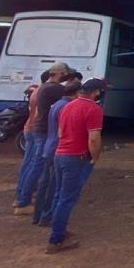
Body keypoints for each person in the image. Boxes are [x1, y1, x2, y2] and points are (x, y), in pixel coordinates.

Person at [45, 78, 110, 254]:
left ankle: (59, 229)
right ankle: (56, 239)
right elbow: (94, 138)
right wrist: (94, 157)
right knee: (67, 198)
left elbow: (60, 132)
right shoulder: (93, 109)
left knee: (60, 195)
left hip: (61, 154)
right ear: (96, 92)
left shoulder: (67, 106)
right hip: (77, 157)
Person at [16, 62, 73, 215]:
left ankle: (21, 196)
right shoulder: (55, 89)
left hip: (35, 128)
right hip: (42, 129)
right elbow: (72, 94)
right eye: (65, 74)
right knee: (37, 166)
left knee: (30, 164)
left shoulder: (42, 88)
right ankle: (23, 202)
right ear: (60, 73)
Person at [34, 77, 82, 226]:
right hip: (58, 149)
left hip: (50, 146)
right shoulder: (66, 107)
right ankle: (47, 216)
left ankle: (38, 215)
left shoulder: (57, 104)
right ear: (77, 92)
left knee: (45, 183)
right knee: (55, 186)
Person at [13, 71, 48, 208]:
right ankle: (24, 198)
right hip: (36, 129)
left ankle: (21, 193)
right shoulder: (43, 92)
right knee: (35, 164)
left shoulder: (36, 91)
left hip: (30, 128)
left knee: (28, 163)